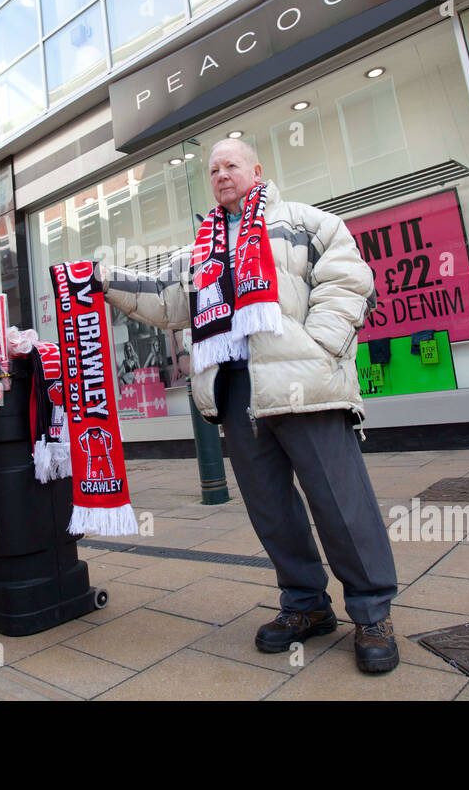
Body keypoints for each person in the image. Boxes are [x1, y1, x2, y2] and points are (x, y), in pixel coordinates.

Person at [97, 138, 399, 675]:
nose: (221, 174)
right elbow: (167, 301)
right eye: (213, 169)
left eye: (230, 165)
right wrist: (102, 278)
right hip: (238, 394)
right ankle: (305, 606)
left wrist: (321, 346)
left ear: (257, 170)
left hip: (305, 388)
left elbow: (349, 279)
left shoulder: (306, 223)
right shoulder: (200, 249)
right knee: (271, 512)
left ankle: (372, 611)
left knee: (341, 503)